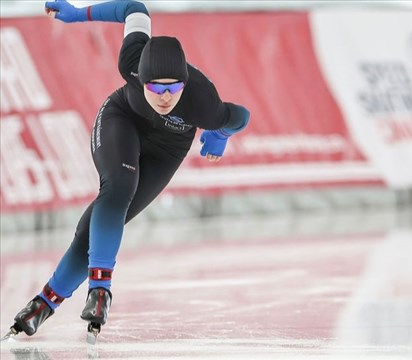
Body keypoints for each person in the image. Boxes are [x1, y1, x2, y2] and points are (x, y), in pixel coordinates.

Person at [7, 0, 249, 338]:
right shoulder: (131, 60)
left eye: (173, 88)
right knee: (118, 188)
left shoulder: (204, 104)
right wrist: (78, 14)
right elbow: (134, 8)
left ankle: (43, 304)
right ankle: (100, 289)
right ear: (140, 77)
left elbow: (241, 116)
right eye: (155, 87)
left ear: (184, 83)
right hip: (123, 120)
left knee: (91, 228)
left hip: (168, 148)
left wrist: (219, 135)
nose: (165, 97)